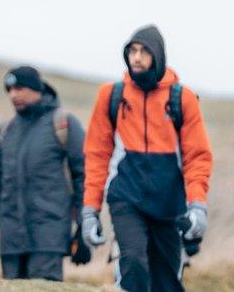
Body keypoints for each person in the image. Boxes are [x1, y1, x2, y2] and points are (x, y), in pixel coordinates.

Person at [82, 25, 213, 292]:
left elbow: (197, 157)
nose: (137, 58)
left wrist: (197, 205)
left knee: (167, 282)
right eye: (132, 51)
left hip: (169, 204)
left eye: (144, 52)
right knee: (134, 265)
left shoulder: (182, 99)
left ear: (158, 56)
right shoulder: (112, 96)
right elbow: (96, 154)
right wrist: (89, 210)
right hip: (126, 197)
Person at [0, 66, 85, 281]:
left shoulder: (63, 124)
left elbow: (83, 176)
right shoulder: (5, 131)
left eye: (20, 88)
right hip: (11, 241)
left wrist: (83, 227)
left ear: (37, 89)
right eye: (9, 89)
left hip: (48, 238)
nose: (13, 94)